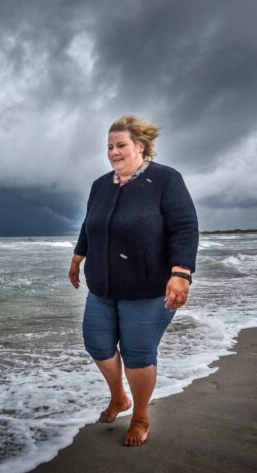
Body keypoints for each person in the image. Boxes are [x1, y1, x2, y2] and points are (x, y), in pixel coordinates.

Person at [68, 113, 198, 446]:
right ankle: (118, 397)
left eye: (121, 145)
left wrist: (181, 273)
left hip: (147, 289)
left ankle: (140, 415)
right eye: (110, 146)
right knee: (97, 345)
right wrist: (77, 256)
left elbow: (184, 228)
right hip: (102, 287)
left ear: (140, 146)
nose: (113, 152)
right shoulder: (100, 185)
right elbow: (89, 224)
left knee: (138, 354)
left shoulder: (166, 180)